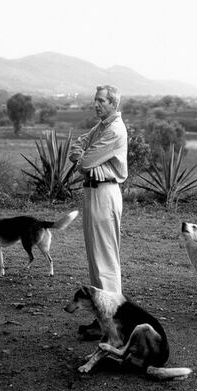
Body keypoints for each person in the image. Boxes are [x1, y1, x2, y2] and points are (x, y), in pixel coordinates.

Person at [69, 85, 128, 339]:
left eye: (101, 101)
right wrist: (81, 155)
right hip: (93, 192)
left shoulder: (114, 129)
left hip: (105, 193)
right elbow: (79, 144)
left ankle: (114, 321)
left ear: (113, 103)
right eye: (95, 100)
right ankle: (102, 318)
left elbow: (84, 162)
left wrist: (81, 158)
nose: (96, 104)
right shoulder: (102, 126)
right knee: (96, 259)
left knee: (106, 259)